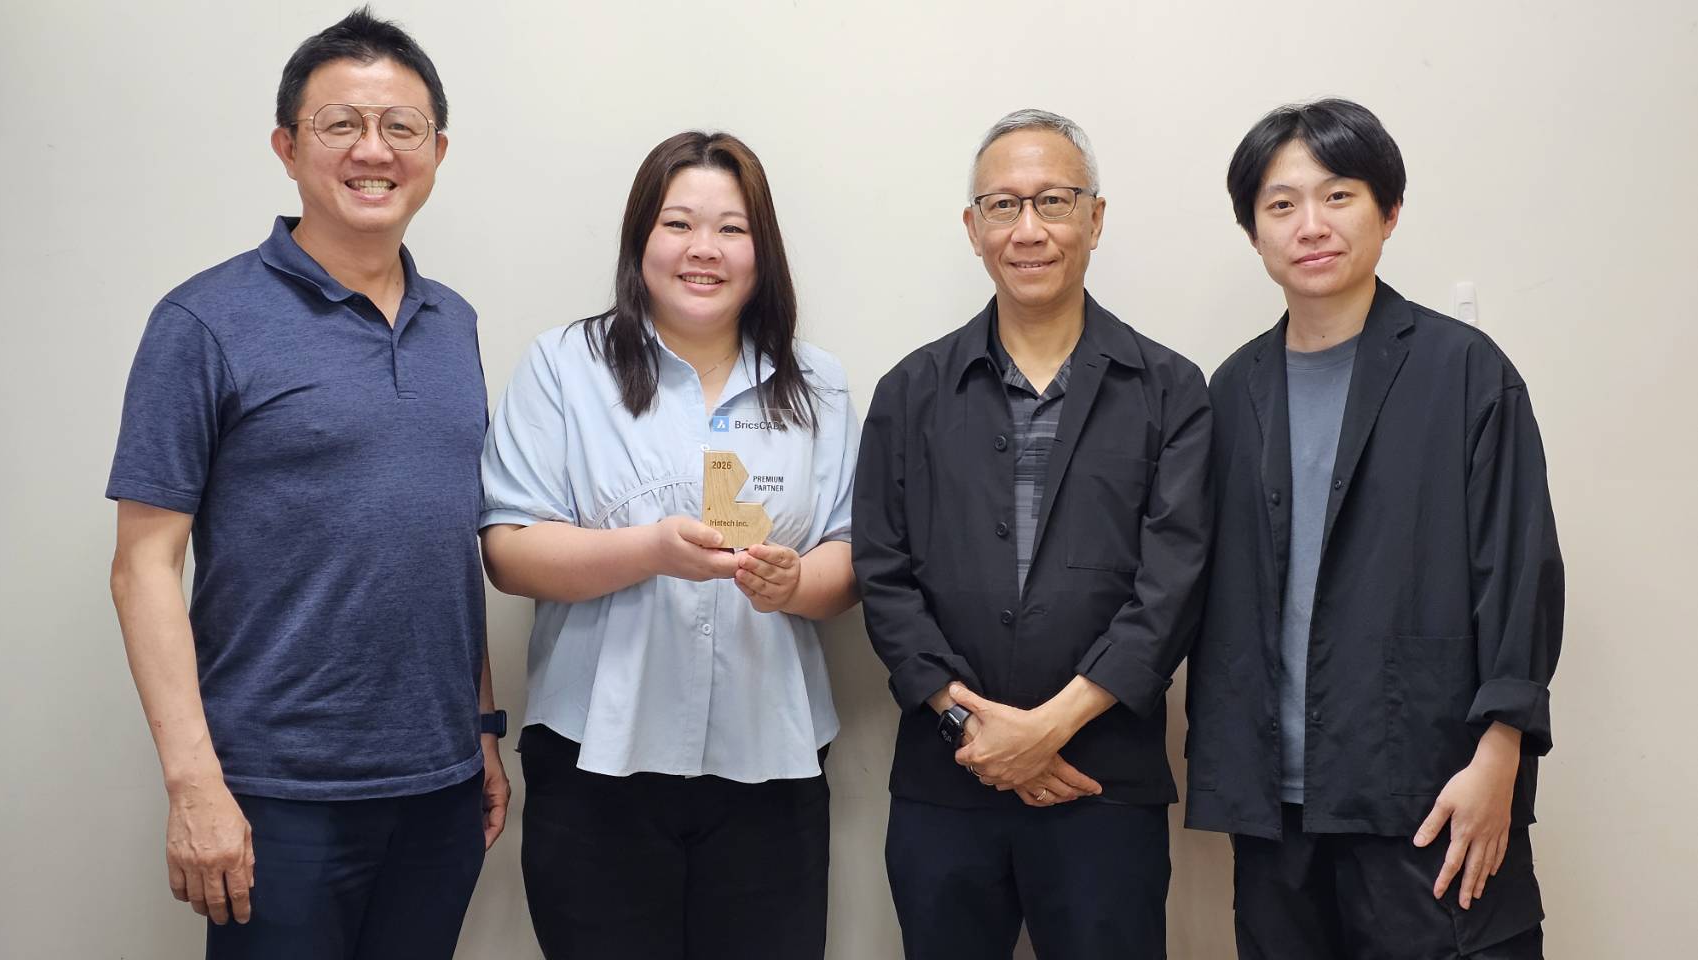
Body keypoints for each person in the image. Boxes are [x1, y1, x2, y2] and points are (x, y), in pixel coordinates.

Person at [106, 8, 506, 959]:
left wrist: (482, 730)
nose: (374, 150)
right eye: (341, 124)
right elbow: (143, 567)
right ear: (287, 147)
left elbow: (445, 540)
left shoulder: (454, 323)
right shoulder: (203, 321)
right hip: (276, 797)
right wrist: (193, 785)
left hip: (441, 787)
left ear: (437, 152)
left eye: (401, 126)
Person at [1184, 98, 1563, 959]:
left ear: (1388, 212)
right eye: (1281, 205)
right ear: (1252, 233)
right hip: (1274, 810)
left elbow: (1519, 572)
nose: (1310, 226)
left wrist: (1500, 752)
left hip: (1427, 788)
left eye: (1338, 196)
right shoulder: (1230, 391)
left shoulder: (1464, 371)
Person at [479, 130, 860, 960]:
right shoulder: (563, 367)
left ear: (762, 248)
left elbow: (849, 553)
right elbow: (508, 550)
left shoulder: (818, 383)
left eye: (731, 228)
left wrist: (792, 584)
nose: (703, 249)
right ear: (639, 238)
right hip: (594, 755)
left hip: (771, 755)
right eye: (677, 223)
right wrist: (649, 549)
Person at [853, 108, 1213, 959]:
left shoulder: (1169, 390)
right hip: (947, 779)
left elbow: (1172, 586)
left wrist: (1046, 729)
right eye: (1003, 205)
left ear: (1095, 217)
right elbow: (883, 573)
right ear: (972, 227)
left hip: (1101, 781)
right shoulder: (910, 392)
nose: (1028, 229)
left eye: (1053, 201)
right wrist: (970, 726)